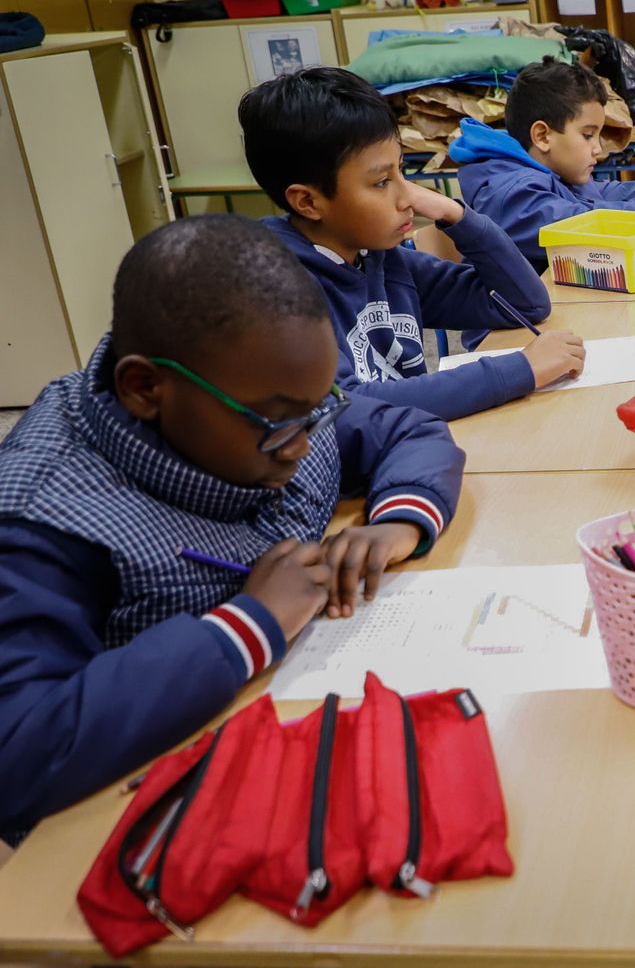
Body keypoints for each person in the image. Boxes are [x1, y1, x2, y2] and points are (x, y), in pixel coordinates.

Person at [0, 216, 466, 841]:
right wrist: (247, 624)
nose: (303, 446)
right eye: (278, 424)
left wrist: (399, 522)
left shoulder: (270, 396)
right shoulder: (44, 517)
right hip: (155, 819)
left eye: (316, 412)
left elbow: (409, 430)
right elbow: (20, 753)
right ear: (144, 388)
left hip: (310, 717)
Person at [238, 66, 586, 422]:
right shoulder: (278, 293)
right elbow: (346, 410)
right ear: (308, 202)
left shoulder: (379, 258)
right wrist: (519, 370)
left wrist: (455, 214)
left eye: (401, 171)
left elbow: (524, 304)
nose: (407, 197)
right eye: (381, 182)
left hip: (413, 439)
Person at [451, 60, 635, 275]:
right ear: (543, 137)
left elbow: (611, 193)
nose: (598, 148)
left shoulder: (552, 173)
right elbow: (590, 226)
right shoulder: (513, 197)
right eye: (588, 135)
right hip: (515, 324)